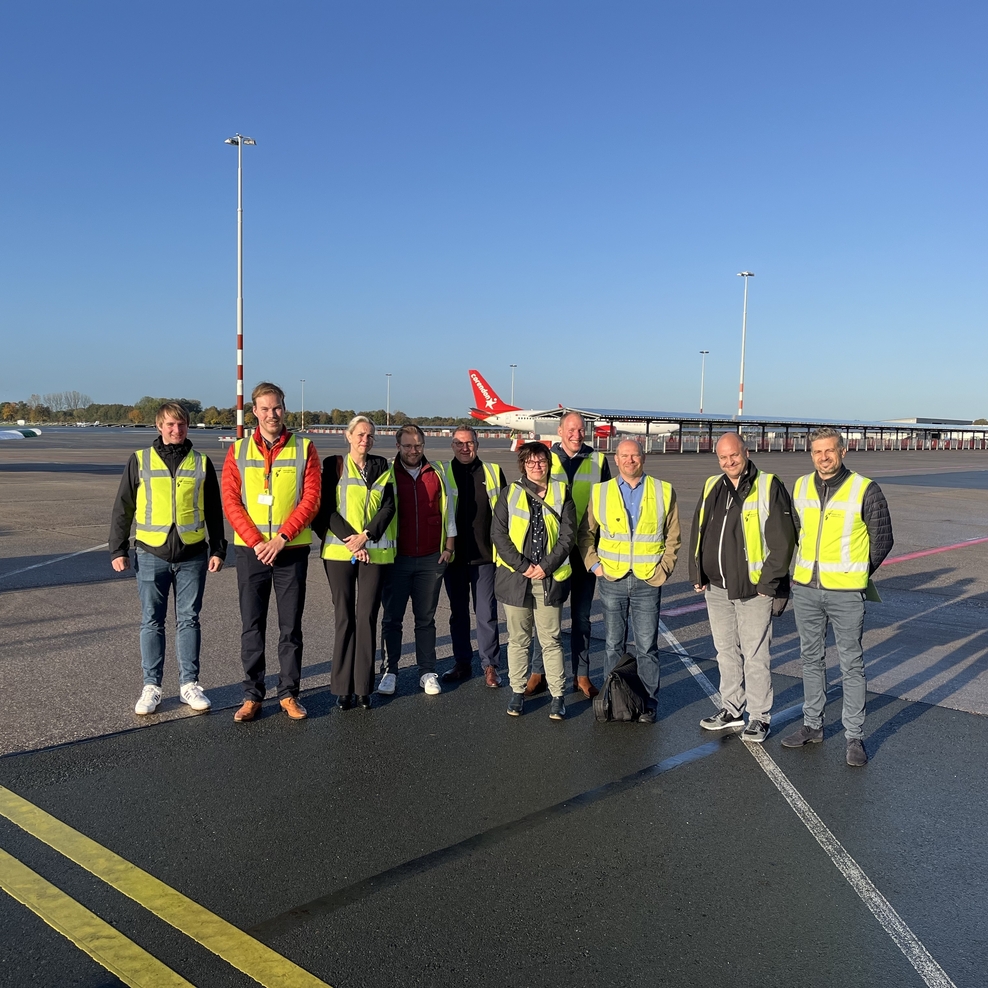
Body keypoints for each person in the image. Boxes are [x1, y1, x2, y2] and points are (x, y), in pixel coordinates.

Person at [781, 427, 893, 766]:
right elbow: (796, 532)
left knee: (851, 663)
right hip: (806, 590)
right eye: (817, 452)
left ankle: (854, 736)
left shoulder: (865, 489)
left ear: (843, 451)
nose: (823, 457)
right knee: (811, 659)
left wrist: (857, 575)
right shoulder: (799, 487)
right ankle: (813, 725)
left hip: (846, 593)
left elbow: (882, 540)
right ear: (811, 454)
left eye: (829, 450)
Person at [110, 401, 227, 715]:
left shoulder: (201, 462)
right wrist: (117, 548)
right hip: (150, 553)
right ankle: (152, 686)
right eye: (171, 425)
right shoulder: (139, 461)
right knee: (152, 621)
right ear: (159, 427)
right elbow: (124, 507)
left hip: (192, 554)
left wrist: (218, 548)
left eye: (182, 425)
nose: (177, 430)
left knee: (188, 620)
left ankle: (189, 684)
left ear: (187, 427)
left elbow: (214, 509)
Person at [222, 382, 321, 722]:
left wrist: (281, 537)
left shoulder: (304, 448)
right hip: (252, 552)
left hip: (290, 550)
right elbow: (231, 501)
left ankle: (289, 694)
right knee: (252, 626)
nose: (271, 414)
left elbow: (311, 499)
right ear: (255, 412)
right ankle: (252, 695)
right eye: (265, 408)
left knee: (290, 627)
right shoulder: (237, 451)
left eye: (276, 407)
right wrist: (256, 541)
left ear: (284, 408)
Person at [688, 432, 796, 743]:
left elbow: (783, 539)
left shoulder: (767, 485)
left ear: (746, 452)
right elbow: (699, 530)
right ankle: (732, 709)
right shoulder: (713, 485)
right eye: (723, 457)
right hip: (717, 588)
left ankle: (760, 716)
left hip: (753, 589)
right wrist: (697, 571)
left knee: (755, 654)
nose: (729, 462)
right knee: (725, 651)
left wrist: (769, 583)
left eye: (733, 455)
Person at [578, 439, 680, 724]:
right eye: (624, 455)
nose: (630, 460)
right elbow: (586, 534)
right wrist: (594, 564)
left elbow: (673, 537)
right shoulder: (601, 492)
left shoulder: (663, 490)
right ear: (617, 458)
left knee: (647, 646)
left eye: (635, 455)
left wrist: (665, 568)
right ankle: (614, 697)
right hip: (612, 578)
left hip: (648, 579)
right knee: (613, 644)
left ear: (643, 458)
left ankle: (648, 702)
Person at [313, 415, 395, 711]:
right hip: (339, 552)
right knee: (344, 617)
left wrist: (367, 536)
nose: (365, 440)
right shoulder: (334, 465)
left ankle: (363, 687)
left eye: (370, 436)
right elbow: (325, 510)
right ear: (348, 436)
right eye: (360, 434)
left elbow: (388, 506)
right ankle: (342, 688)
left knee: (367, 616)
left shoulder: (381, 466)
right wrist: (352, 539)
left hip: (372, 550)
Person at [527, 411, 611, 699]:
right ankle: (538, 671)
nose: (577, 434)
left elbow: (609, 501)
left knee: (583, 617)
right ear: (560, 431)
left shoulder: (599, 460)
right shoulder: (544, 457)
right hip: (553, 550)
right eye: (571, 429)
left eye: (581, 429)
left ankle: (581, 674)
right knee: (548, 614)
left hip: (586, 549)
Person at [491, 441, 576, 720]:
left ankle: (557, 696)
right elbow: (499, 535)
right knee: (518, 639)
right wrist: (525, 566)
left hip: (548, 578)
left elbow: (568, 536)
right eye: (530, 462)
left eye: (541, 461)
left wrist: (545, 567)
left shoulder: (562, 492)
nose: (536, 466)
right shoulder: (510, 493)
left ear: (549, 464)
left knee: (551, 639)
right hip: (517, 578)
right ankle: (517, 691)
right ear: (523, 465)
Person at [380, 424, 456, 696]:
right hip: (396, 559)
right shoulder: (387, 473)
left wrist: (449, 546)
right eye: (408, 446)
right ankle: (390, 671)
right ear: (398, 446)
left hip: (430, 559)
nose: (413, 451)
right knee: (392, 619)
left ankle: (427, 671)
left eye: (418, 446)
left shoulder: (437, 472)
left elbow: (449, 509)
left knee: (425, 618)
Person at [438, 426, 506, 688]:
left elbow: (504, 511)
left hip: (485, 556)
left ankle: (490, 665)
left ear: (477, 444)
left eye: (469, 443)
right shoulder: (442, 471)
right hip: (453, 556)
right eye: (458, 443)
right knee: (458, 613)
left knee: (486, 613)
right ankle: (462, 663)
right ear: (452, 446)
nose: (464, 448)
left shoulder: (492, 471)